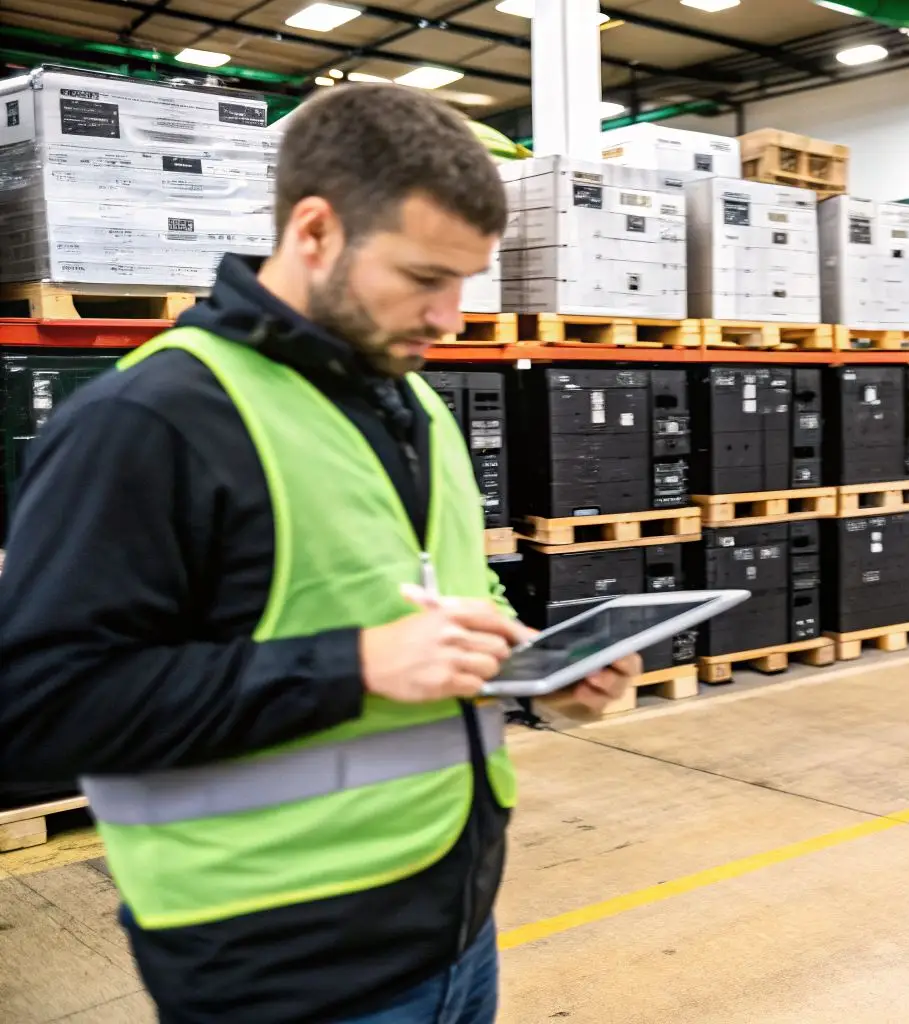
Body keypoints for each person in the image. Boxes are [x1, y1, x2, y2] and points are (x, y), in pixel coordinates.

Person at [0, 83, 638, 1023]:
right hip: (281, 966)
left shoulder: (412, 405)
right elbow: (38, 710)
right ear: (313, 231)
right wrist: (357, 665)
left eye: (468, 281)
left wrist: (530, 674)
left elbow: (428, 604)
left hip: (454, 924)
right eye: (424, 278)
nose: (452, 317)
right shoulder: (152, 421)